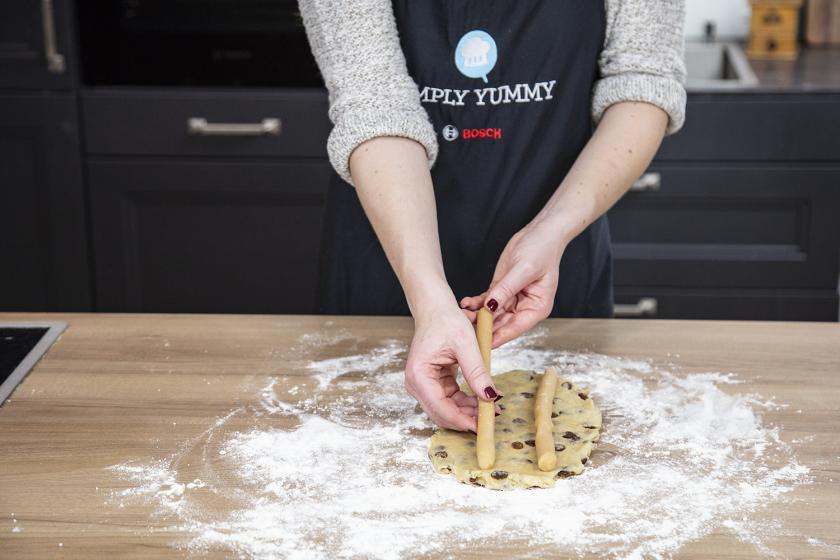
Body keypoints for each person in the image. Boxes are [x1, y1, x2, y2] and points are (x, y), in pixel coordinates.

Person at [299, 0, 686, 432]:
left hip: (554, 261)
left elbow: (643, 81)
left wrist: (553, 230)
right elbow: (374, 102)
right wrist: (427, 296)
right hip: (391, 250)